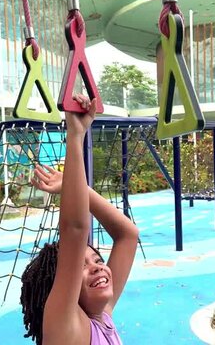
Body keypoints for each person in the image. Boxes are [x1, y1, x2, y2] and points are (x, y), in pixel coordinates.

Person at [20, 94, 139, 345]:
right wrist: (75, 135)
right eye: (81, 266)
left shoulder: (101, 318)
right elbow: (74, 229)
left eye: (96, 259)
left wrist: (74, 187)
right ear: (62, 287)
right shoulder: (66, 329)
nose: (97, 266)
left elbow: (127, 235)